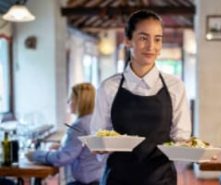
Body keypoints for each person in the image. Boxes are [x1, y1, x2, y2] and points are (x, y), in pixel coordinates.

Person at [90, 9, 191, 185]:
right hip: (117, 179)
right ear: (128, 41)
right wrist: (99, 148)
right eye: (144, 38)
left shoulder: (176, 87)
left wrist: (193, 152)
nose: (152, 46)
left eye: (157, 39)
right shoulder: (108, 88)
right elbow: (99, 135)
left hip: (162, 180)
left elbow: (181, 139)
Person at [26, 83, 105, 185]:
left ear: (80, 101)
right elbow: (86, 149)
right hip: (100, 179)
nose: (68, 101)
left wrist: (35, 154)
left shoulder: (79, 125)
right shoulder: (98, 121)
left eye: (71, 98)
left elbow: (62, 158)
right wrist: (64, 146)